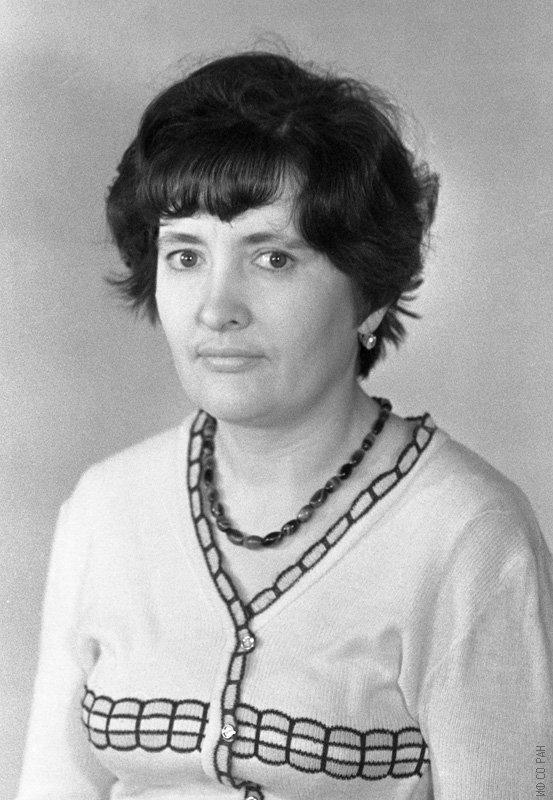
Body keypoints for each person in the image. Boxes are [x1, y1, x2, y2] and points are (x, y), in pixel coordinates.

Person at [16, 51, 553, 800]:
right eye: (185, 255)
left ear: (370, 291)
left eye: (272, 258)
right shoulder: (105, 508)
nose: (216, 308)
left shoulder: (467, 532)